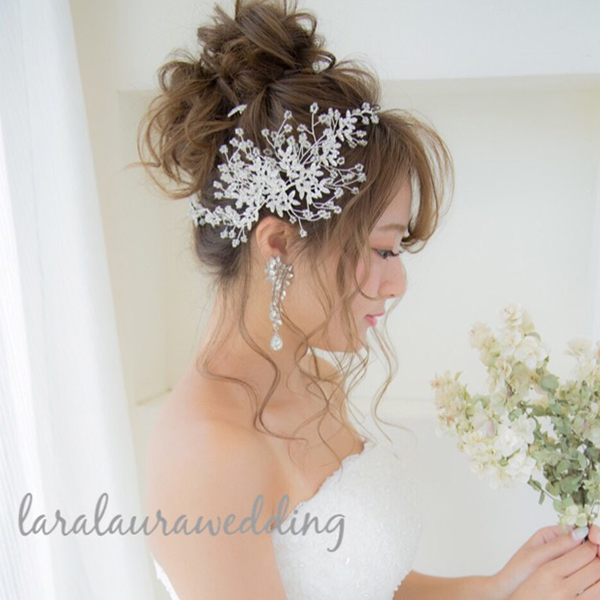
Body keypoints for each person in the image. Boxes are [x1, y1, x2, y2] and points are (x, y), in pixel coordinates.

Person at [134, 0, 600, 598]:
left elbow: (370, 584)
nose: (397, 282)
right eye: (381, 249)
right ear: (278, 244)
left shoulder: (316, 379)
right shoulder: (207, 450)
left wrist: (499, 586)